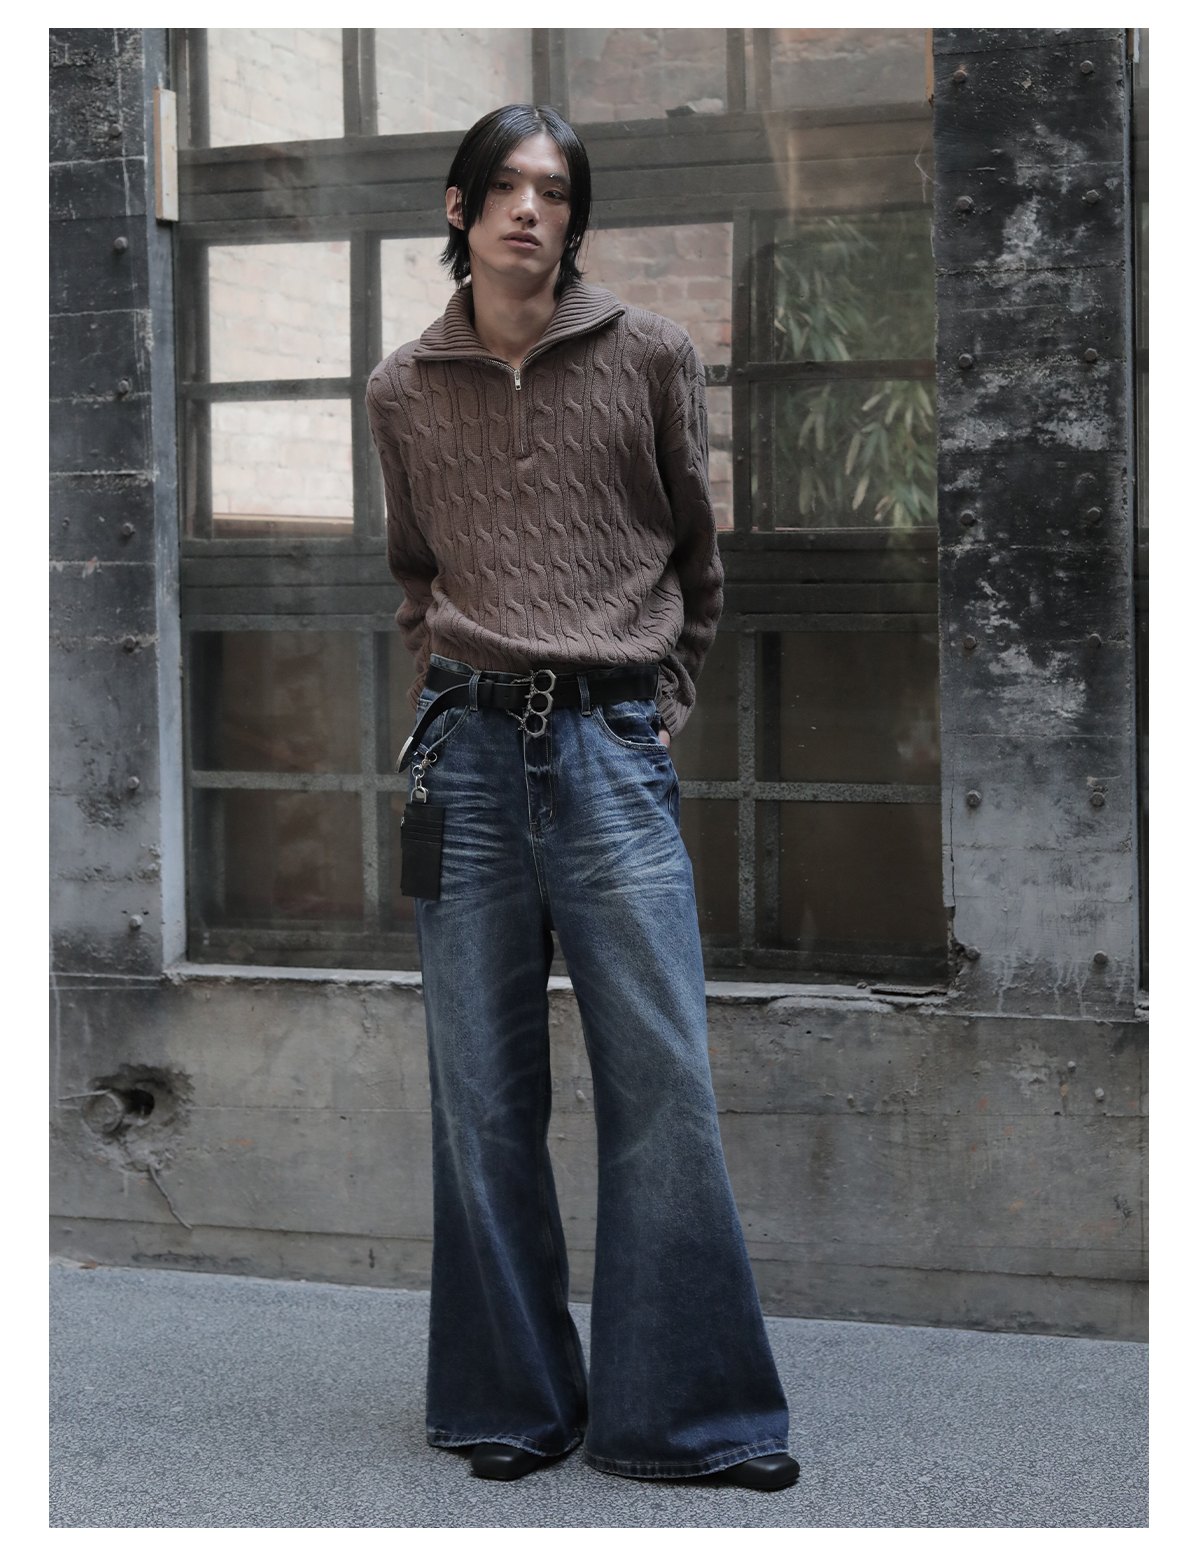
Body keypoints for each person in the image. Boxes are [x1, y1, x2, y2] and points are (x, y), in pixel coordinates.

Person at [366, 102, 798, 1492]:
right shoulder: (401, 389)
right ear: (458, 210)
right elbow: (416, 575)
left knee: (662, 1081)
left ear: (574, 216)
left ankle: (689, 1418)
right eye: (504, 188)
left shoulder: (650, 354)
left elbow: (696, 561)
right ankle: (508, 1400)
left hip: (611, 746)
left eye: (553, 192)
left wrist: (652, 711)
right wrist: (449, 696)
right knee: (479, 1091)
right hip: (465, 756)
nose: (528, 212)